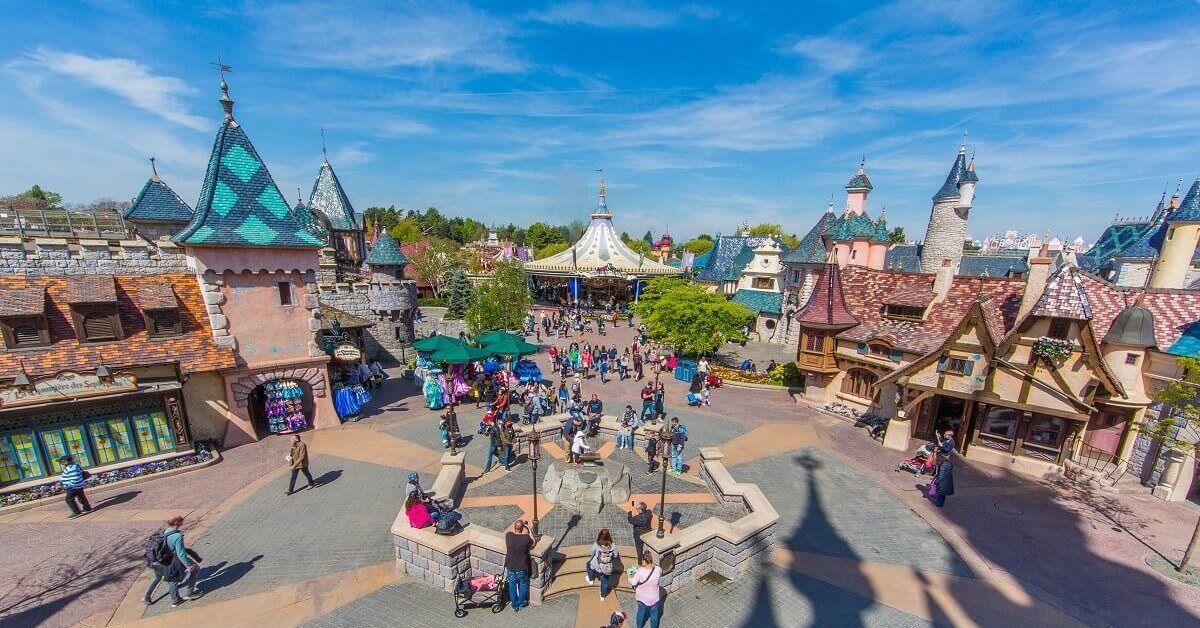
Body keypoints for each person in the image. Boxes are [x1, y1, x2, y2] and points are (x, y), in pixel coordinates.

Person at [162, 515, 202, 607]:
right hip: (175, 560)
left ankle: (175, 600)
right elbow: (181, 553)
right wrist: (188, 565)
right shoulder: (177, 536)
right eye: (181, 520)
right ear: (176, 522)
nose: (183, 521)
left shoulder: (165, 531)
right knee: (195, 569)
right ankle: (189, 593)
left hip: (165, 559)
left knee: (172, 580)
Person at [505, 519, 537, 612]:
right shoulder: (525, 538)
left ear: (514, 527)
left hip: (510, 565)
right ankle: (521, 602)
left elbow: (513, 534)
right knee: (523, 584)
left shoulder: (508, 536)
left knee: (512, 584)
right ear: (522, 528)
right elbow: (533, 542)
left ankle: (514, 604)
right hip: (521, 567)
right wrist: (529, 529)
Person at [628, 550, 662, 628]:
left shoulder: (640, 571)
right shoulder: (658, 569)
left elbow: (633, 582)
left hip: (642, 598)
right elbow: (660, 573)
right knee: (654, 616)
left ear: (644, 560)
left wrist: (629, 577)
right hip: (654, 598)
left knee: (640, 613)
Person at [586, 528, 620, 599]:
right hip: (607, 567)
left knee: (588, 565)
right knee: (604, 582)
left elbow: (591, 553)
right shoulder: (613, 546)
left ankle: (591, 579)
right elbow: (616, 555)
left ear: (599, 536)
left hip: (597, 565)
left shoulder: (596, 544)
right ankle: (602, 596)